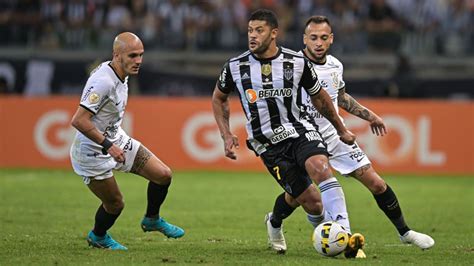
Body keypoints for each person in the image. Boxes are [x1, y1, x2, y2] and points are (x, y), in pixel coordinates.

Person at [211, 9, 365, 258]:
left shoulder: (296, 62)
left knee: (321, 168)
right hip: (268, 143)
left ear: (274, 33)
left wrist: (341, 129)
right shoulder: (235, 66)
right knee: (312, 202)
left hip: (300, 130)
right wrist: (226, 135)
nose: (252, 36)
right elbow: (219, 98)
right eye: (250, 30)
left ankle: (343, 237)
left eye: (259, 30)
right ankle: (274, 221)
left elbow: (321, 99)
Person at [294, 15, 434, 250]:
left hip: (334, 135)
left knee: (377, 184)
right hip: (303, 137)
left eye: (324, 38)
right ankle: (277, 223)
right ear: (305, 39)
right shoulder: (292, 65)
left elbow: (340, 98)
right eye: (314, 37)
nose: (318, 43)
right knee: (300, 196)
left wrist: (370, 116)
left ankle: (405, 232)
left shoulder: (335, 65)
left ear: (331, 39)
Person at [70, 32, 184, 250]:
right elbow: (79, 121)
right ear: (117, 55)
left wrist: (113, 143)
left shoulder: (121, 70)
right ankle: (98, 236)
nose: (138, 61)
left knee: (163, 175)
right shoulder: (104, 82)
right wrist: (108, 146)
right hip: (92, 152)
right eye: (132, 55)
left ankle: (152, 219)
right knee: (115, 204)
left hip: (115, 139)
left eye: (141, 55)